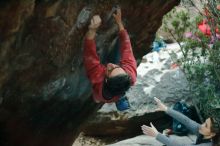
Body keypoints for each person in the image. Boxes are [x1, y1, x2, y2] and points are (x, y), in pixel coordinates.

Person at [83, 8, 137, 111]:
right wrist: (119, 23)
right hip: (104, 91)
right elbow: (126, 47)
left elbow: (89, 52)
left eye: (110, 70)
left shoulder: (98, 78)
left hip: (101, 87)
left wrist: (92, 29)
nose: (112, 64)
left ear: (106, 79)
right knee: (119, 48)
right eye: (117, 67)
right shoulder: (130, 75)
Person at [141, 97, 220, 146]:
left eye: (206, 125)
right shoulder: (203, 131)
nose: (202, 125)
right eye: (204, 123)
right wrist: (166, 109)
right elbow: (187, 121)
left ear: (212, 134)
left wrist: (157, 135)